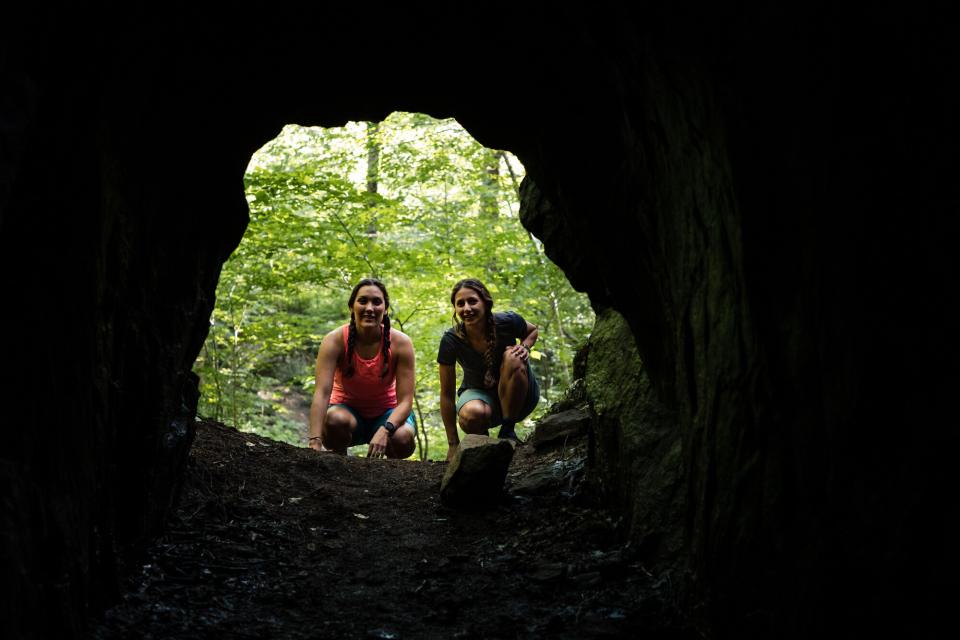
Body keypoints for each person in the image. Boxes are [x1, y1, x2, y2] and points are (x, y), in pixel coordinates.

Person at [308, 278, 416, 459]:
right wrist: (314, 441)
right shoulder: (334, 340)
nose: (369, 308)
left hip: (388, 413)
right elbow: (321, 393)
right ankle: (339, 463)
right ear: (352, 306)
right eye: (363, 301)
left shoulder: (401, 343)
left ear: (385, 308)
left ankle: (389, 477)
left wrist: (386, 430)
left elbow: (405, 401)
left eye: (377, 302)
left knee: (402, 438)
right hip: (346, 413)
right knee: (334, 420)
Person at [438, 278, 540, 460]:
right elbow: (446, 394)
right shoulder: (451, 340)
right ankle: (483, 448)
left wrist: (524, 347)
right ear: (455, 308)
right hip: (480, 396)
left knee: (513, 356)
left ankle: (508, 431)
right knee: (472, 415)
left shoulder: (507, 321)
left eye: (472, 301)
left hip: (520, 394)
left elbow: (532, 331)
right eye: (460, 304)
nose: (466, 309)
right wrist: (453, 444)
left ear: (485, 303)